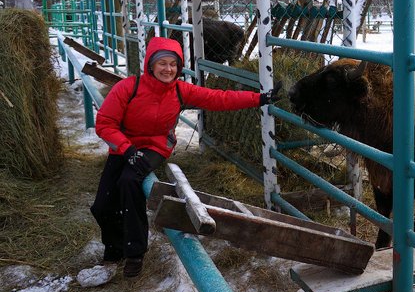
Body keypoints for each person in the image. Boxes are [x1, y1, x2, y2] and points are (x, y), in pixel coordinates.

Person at [91, 36, 281, 277]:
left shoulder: (180, 91)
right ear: (150, 64)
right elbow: (105, 123)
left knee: (129, 182)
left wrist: (260, 98)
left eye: (173, 64)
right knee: (101, 206)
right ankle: (115, 246)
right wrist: (127, 149)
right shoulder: (129, 87)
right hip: (123, 146)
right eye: (162, 63)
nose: (168, 69)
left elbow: (218, 98)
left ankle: (134, 253)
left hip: (155, 146)